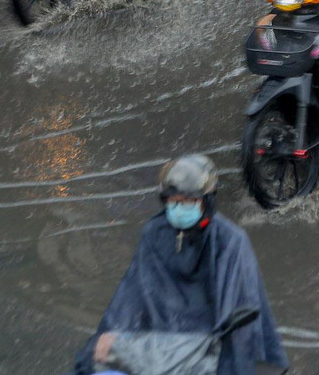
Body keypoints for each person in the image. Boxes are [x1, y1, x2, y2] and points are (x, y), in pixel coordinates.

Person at [80, 154, 288, 375]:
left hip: (206, 347)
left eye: (189, 201)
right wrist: (111, 335)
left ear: (205, 201)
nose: (180, 207)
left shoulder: (229, 241)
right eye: (174, 201)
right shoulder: (154, 233)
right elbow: (133, 295)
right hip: (158, 343)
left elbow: (238, 313)